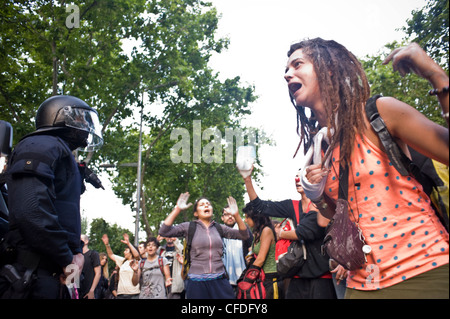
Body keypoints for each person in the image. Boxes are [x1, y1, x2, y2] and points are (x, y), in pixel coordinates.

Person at [285, 38, 449, 298]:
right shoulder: (321, 148)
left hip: (425, 269)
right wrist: (318, 197)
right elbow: (335, 218)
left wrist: (436, 76)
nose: (287, 74)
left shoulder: (379, 113)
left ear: (327, 69)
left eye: (297, 64)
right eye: (286, 69)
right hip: (361, 285)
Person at [0, 95, 103, 299]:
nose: (85, 126)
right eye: (80, 119)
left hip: (52, 274)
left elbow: (65, 217)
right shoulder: (42, 145)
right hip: (33, 277)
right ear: (58, 116)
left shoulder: (60, 151)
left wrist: (75, 258)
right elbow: (31, 212)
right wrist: (67, 258)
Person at [240, 166, 336, 299]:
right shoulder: (292, 206)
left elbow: (305, 232)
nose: (297, 179)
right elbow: (260, 207)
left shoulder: (324, 205)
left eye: (302, 176)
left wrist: (281, 234)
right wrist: (247, 179)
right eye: (296, 177)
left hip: (322, 278)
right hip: (296, 276)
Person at [159, 193, 249, 299]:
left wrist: (237, 215)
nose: (206, 205)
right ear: (196, 213)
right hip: (196, 283)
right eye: (202, 205)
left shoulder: (219, 228)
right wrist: (177, 209)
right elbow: (164, 231)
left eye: (208, 204)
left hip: (219, 280)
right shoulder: (189, 227)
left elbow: (244, 235)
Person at [242, 203, 281, 299]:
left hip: (270, 278)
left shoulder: (266, 230)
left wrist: (246, 279)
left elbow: (261, 259)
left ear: (255, 217)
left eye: (247, 217)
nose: (245, 220)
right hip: (261, 277)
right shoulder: (257, 233)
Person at [221, 205, 253, 294]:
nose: (230, 216)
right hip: (224, 280)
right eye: (226, 214)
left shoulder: (244, 230)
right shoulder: (218, 232)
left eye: (232, 214)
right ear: (222, 218)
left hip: (243, 278)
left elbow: (251, 249)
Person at [102, 233, 141, 299]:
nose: (124, 252)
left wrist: (128, 243)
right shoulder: (123, 261)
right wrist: (107, 245)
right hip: (121, 294)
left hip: (133, 294)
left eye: (126, 250)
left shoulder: (136, 262)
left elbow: (137, 255)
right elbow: (111, 255)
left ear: (131, 251)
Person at [80, 234, 101, 299]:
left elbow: (98, 273)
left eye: (81, 239)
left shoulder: (93, 254)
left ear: (86, 241)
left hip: (89, 291)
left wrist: (92, 291)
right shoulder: (75, 256)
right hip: (78, 291)